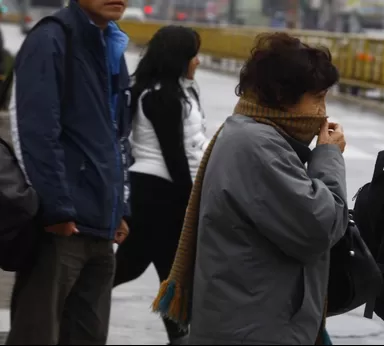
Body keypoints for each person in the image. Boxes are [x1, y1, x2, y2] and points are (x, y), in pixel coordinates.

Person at [150, 32, 348, 345]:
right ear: (283, 97)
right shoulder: (258, 146)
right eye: (318, 99)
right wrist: (328, 156)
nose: (323, 112)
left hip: (255, 320)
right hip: (257, 328)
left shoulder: (251, 132)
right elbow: (319, 226)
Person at [6, 0, 131, 344]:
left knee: (88, 335)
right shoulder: (51, 40)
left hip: (102, 226)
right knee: (38, 334)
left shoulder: (112, 45)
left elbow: (118, 136)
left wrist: (120, 207)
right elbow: (35, 132)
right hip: (62, 227)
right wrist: (56, 208)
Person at [112, 25, 207, 345]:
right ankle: (70, 302)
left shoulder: (179, 91)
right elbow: (174, 157)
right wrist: (191, 201)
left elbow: (192, 149)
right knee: (136, 266)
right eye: (193, 55)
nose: (198, 61)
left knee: (169, 272)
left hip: (163, 193)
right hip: (157, 194)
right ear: (179, 57)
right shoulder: (159, 96)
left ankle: (179, 337)